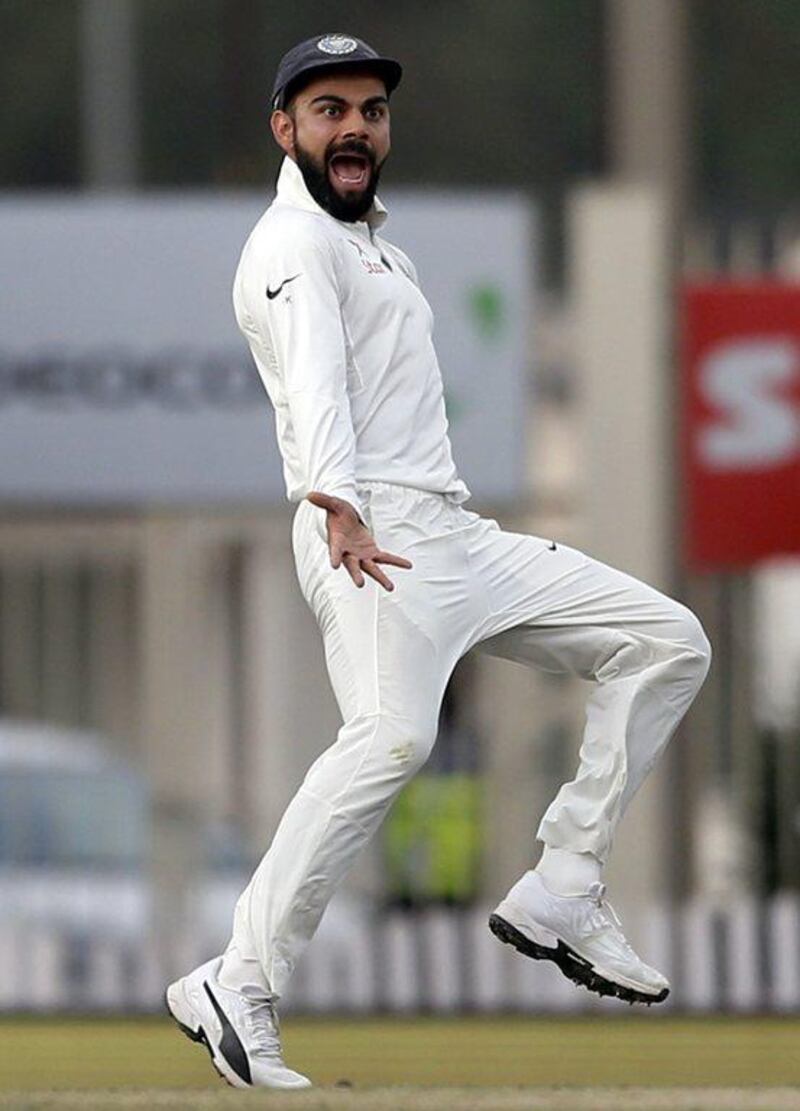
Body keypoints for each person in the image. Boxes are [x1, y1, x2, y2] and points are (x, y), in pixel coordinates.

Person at [165, 32, 711, 1090]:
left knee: (663, 640)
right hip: (373, 535)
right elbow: (315, 382)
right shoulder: (291, 248)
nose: (354, 126)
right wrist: (338, 503)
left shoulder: (381, 250)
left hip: (456, 534)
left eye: (369, 109)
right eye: (329, 110)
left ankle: (562, 879)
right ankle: (238, 978)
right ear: (286, 130)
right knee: (391, 737)